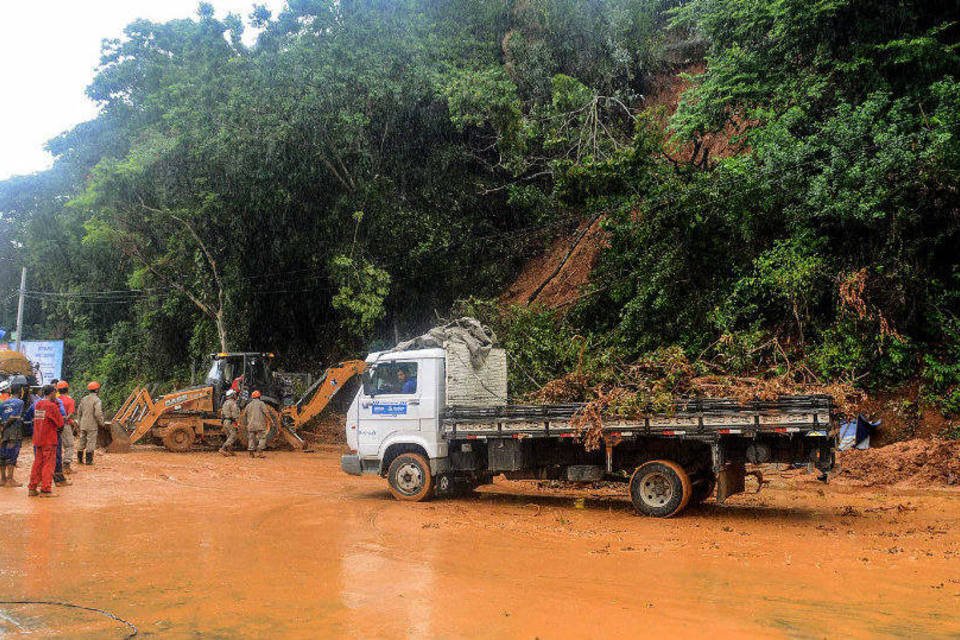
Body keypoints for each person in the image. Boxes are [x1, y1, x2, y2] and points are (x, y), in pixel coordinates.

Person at [27, 384, 64, 497]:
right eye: (55, 392)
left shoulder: (38, 404)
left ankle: (32, 488)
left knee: (37, 464)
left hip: (38, 438)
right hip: (49, 439)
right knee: (49, 464)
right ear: (52, 392)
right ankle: (46, 490)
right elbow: (60, 423)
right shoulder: (51, 406)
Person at [0, 376, 28, 488]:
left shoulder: (3, 403)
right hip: (14, 431)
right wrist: (6, 426)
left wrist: (2, 428)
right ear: (20, 391)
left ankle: (2, 479)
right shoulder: (20, 402)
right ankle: (10, 479)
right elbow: (13, 417)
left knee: (2, 455)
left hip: (2, 432)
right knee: (12, 454)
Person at [75, 381, 105, 466]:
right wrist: (101, 422)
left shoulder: (84, 399)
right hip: (92, 425)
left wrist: (79, 422)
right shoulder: (97, 400)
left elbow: (79, 412)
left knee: (82, 441)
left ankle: (79, 460)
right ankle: (89, 461)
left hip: (83, 424)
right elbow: (98, 413)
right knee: (91, 442)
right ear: (97, 390)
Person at [56, 380, 77, 475]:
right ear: (67, 389)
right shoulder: (70, 400)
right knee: (69, 445)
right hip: (65, 425)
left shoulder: (55, 400)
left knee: (57, 446)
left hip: (55, 426)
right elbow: (70, 414)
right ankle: (66, 465)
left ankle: (56, 466)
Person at [242, 390, 268, 458]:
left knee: (251, 439)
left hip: (251, 425)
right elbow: (266, 412)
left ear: (252, 397)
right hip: (260, 425)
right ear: (259, 397)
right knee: (262, 438)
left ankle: (251, 453)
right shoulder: (261, 403)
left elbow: (244, 415)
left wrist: (245, 424)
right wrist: (271, 420)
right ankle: (260, 450)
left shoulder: (248, 405)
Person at [219, 389, 240, 457]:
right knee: (233, 435)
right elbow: (235, 414)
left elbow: (222, 413)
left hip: (225, 421)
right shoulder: (233, 403)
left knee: (229, 437)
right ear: (232, 395)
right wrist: (237, 423)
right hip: (230, 421)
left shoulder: (225, 403)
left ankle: (231, 451)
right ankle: (222, 449)